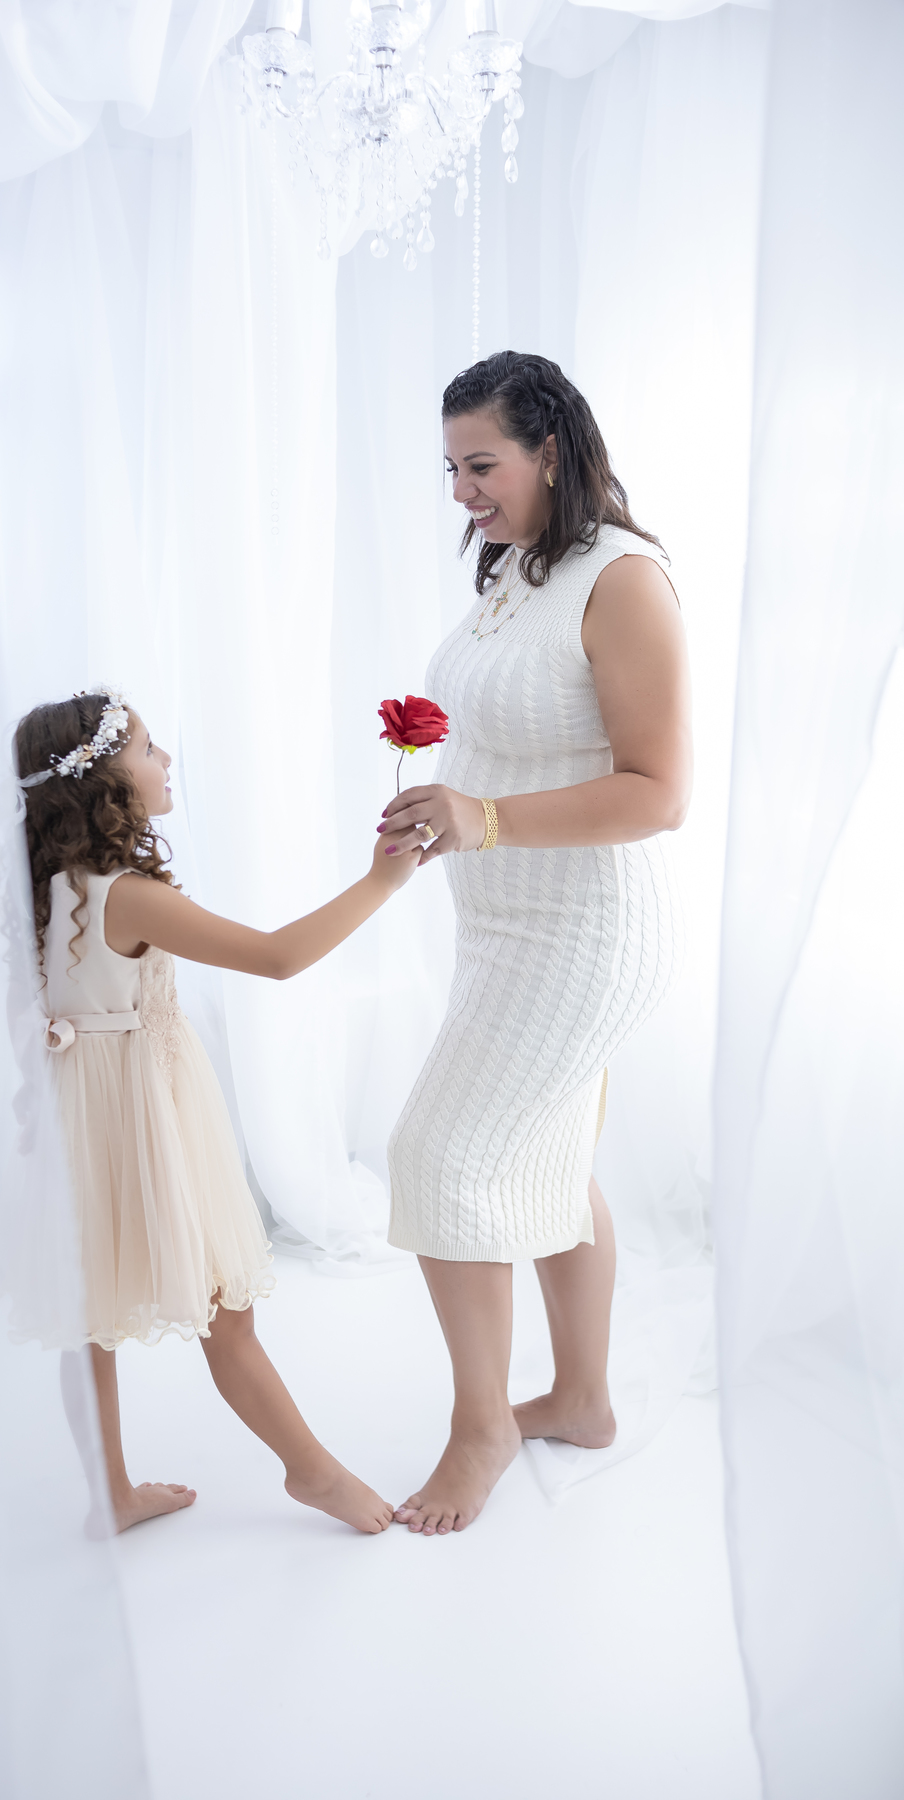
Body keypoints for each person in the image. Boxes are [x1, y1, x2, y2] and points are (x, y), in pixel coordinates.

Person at [381, 351, 691, 1537]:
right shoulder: (520, 566)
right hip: (503, 921)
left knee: (435, 1154)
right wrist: (441, 802)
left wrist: (488, 816)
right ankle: (581, 1398)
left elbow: (659, 791)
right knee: (552, 1159)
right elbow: (520, 723)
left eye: (481, 464)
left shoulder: (625, 580)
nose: (461, 490)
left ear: (551, 448)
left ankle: (484, 1429)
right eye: (450, 468)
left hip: (582, 930)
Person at [14, 688, 422, 1534]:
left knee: (85, 1314)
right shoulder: (122, 893)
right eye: (151, 750)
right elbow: (275, 958)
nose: (168, 763)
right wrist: (382, 881)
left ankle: (109, 1492)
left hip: (76, 1120)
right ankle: (311, 1472)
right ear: (103, 784)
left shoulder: (51, 888)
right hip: (142, 1117)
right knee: (225, 1311)